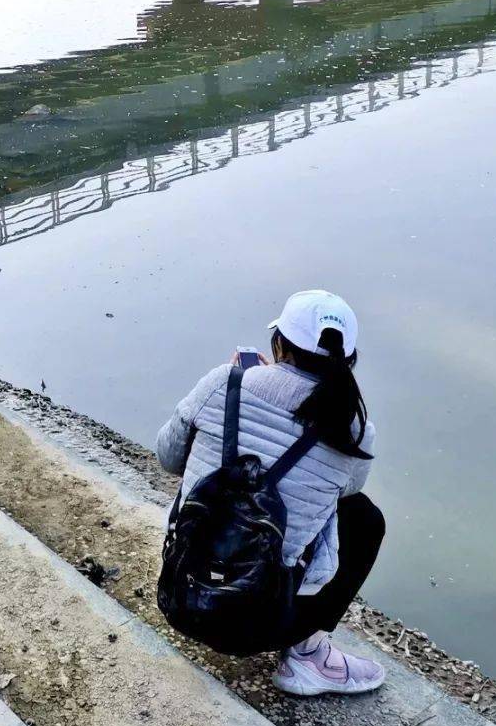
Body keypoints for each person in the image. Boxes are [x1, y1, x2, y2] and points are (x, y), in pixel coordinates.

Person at [156, 289, 386, 696]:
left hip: (181, 595)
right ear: (347, 359)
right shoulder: (355, 430)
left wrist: (238, 395)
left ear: (278, 343)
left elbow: (168, 458)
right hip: (261, 625)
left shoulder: (223, 383)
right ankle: (307, 654)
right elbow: (346, 492)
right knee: (363, 518)